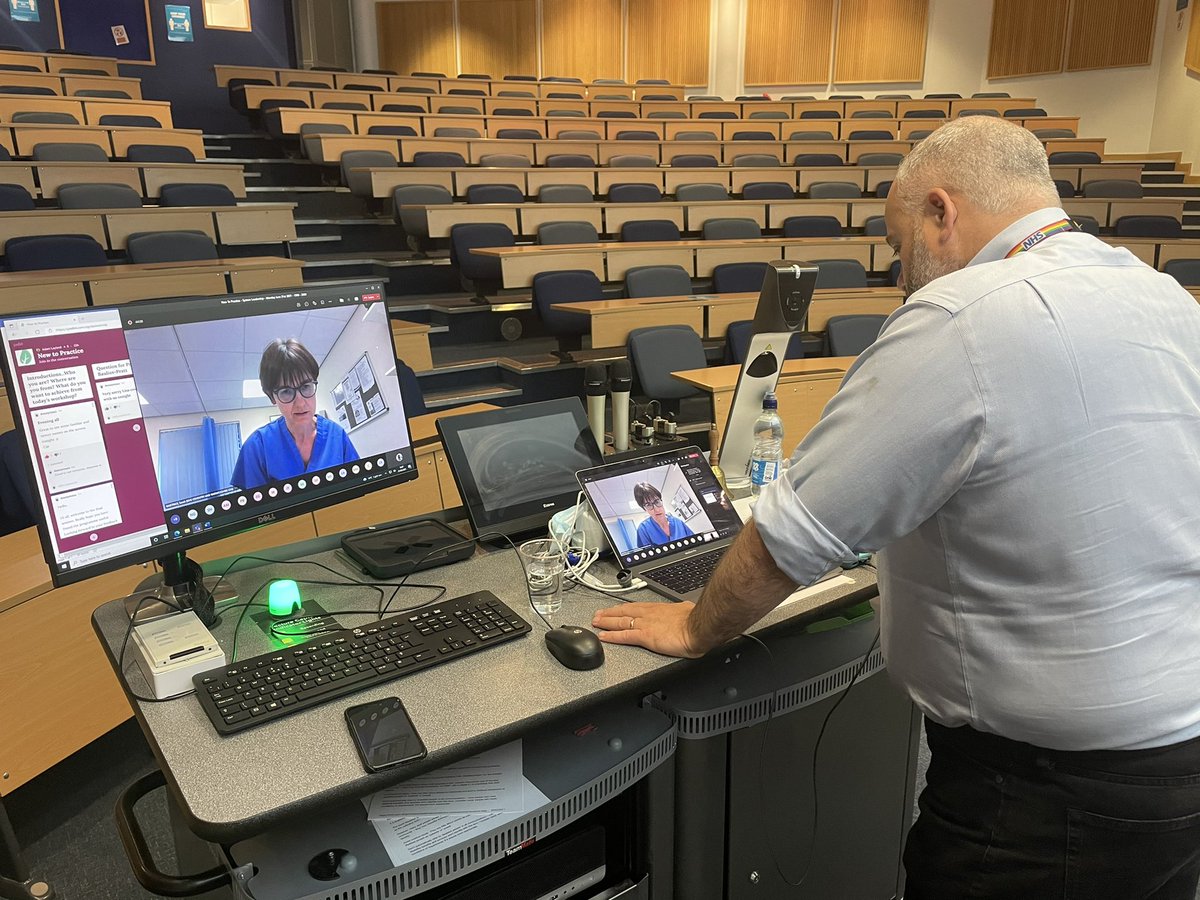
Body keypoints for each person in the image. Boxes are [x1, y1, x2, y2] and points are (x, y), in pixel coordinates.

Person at [592, 117, 1200, 899]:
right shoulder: (1164, 298)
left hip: (1044, 800)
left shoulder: (962, 317)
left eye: (898, 243)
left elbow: (790, 535)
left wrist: (692, 625)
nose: (900, 274)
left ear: (941, 212)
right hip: (1175, 766)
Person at [231, 338, 358, 490]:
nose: (300, 403)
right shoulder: (257, 447)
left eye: (305, 387)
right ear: (272, 397)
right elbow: (255, 509)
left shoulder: (337, 436)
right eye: (286, 391)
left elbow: (357, 488)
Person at [632, 482, 694, 547]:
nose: (657, 509)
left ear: (661, 500)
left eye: (657, 501)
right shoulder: (643, 529)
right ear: (644, 509)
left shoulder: (678, 523)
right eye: (648, 505)